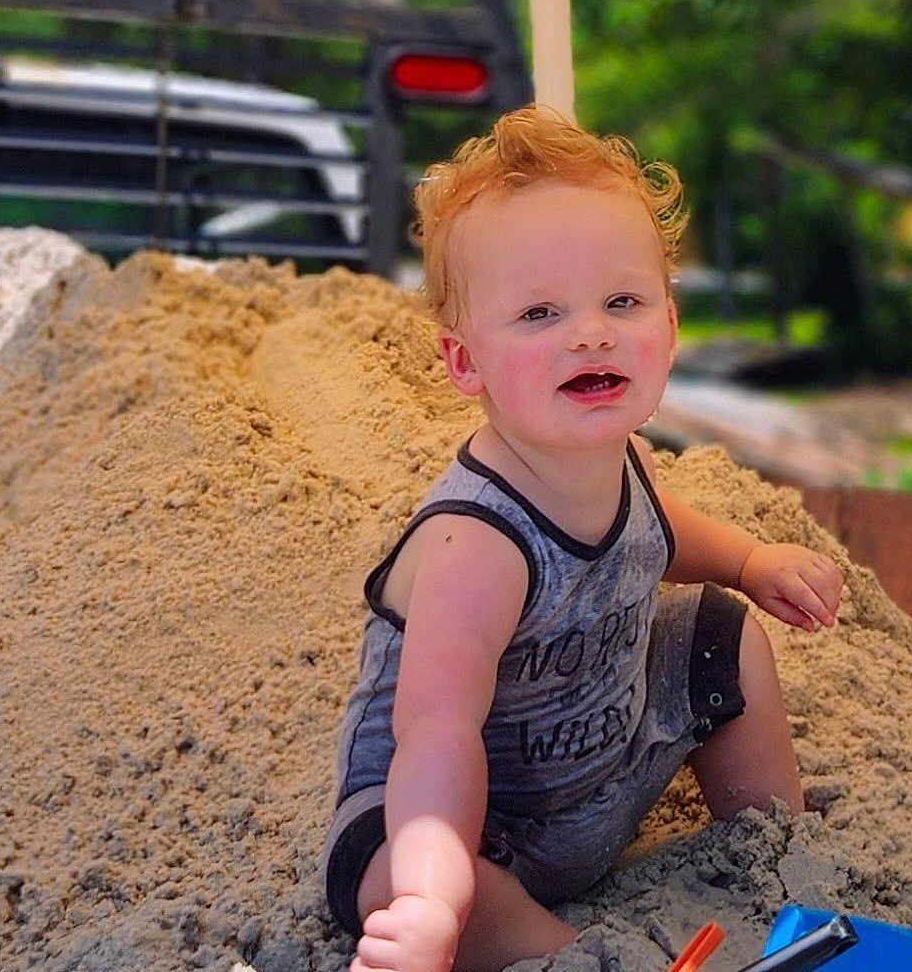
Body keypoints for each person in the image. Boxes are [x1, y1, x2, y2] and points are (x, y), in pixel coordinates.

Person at [324, 106, 844, 972]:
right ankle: (564, 952)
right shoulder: (474, 541)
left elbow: (660, 527)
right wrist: (427, 893)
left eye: (622, 301)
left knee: (720, 631)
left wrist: (752, 562)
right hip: (465, 821)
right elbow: (436, 731)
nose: (591, 330)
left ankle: (767, 847)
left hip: (595, 780)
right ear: (465, 362)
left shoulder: (622, 458)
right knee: (418, 888)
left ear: (669, 328)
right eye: (539, 313)